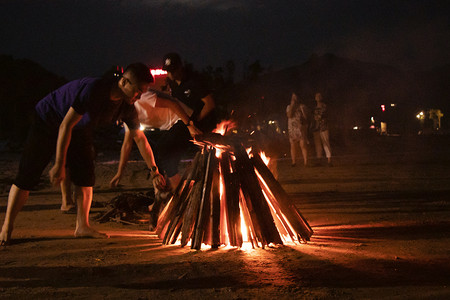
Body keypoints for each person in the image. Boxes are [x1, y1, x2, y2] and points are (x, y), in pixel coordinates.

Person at [0, 63, 165, 246]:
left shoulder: (127, 107)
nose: (140, 96)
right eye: (138, 91)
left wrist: (154, 170)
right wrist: (59, 164)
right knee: (28, 174)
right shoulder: (94, 90)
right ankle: (7, 226)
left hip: (79, 127)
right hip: (49, 119)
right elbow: (65, 125)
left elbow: (140, 139)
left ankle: (82, 226)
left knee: (86, 175)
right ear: (124, 82)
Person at [157, 52, 217, 191]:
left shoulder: (194, 80)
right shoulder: (172, 83)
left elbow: (209, 103)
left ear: (180, 67)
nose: (170, 74)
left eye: (172, 71)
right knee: (166, 147)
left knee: (164, 145)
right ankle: (173, 182)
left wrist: (194, 123)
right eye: (167, 71)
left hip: (199, 122)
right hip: (185, 122)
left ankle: (178, 182)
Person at [286, 92, 309, 167]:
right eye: (293, 97)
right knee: (293, 145)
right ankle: (293, 162)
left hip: (300, 128)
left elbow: (306, 117)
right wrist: (292, 106)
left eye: (295, 97)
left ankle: (306, 162)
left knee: (303, 145)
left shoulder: (302, 106)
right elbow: (289, 115)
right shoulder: (289, 107)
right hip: (292, 128)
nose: (294, 99)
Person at [312, 92, 332, 166]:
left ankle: (329, 160)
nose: (318, 97)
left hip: (324, 127)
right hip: (316, 128)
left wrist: (317, 118)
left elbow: (320, 116)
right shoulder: (315, 108)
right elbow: (314, 118)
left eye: (319, 96)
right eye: (317, 96)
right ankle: (319, 160)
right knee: (318, 145)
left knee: (326, 143)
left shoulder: (324, 106)